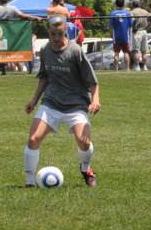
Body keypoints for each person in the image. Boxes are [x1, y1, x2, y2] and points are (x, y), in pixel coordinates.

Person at [23, 16, 101, 188]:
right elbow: (43, 77)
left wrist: (95, 100)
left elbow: (92, 80)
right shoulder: (45, 50)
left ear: (66, 30)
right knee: (33, 139)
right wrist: (34, 101)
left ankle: (86, 170)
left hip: (76, 105)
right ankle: (29, 182)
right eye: (53, 34)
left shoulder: (75, 51)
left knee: (84, 142)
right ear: (48, 32)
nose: (56, 38)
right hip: (51, 103)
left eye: (60, 34)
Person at [0, 0, 42, 75]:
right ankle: (25, 70)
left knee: (1, 52)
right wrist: (35, 17)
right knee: (16, 51)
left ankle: (2, 70)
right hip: (12, 34)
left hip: (1, 34)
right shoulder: (12, 8)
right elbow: (22, 15)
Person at [109, 0, 133, 71]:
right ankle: (127, 69)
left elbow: (111, 27)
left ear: (116, 3)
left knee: (116, 53)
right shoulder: (127, 13)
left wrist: (112, 36)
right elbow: (130, 26)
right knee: (126, 52)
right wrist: (130, 36)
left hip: (116, 36)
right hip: (125, 36)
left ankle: (116, 69)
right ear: (123, 3)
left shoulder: (113, 13)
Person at [130, 0, 150, 71]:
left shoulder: (132, 12)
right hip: (144, 31)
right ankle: (145, 66)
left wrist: (132, 28)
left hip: (136, 32)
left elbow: (131, 21)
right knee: (144, 51)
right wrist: (148, 28)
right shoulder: (145, 11)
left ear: (133, 4)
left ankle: (137, 66)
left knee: (136, 50)